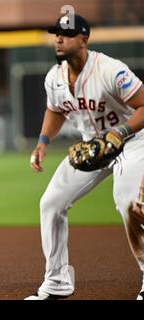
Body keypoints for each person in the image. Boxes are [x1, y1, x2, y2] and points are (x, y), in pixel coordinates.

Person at [26, 14, 144, 300]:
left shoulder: (110, 70)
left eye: (66, 34)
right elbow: (56, 110)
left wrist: (122, 130)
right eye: (56, 33)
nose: (58, 38)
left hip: (132, 141)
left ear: (84, 39)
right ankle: (56, 284)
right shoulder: (54, 78)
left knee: (128, 202)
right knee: (51, 203)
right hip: (93, 147)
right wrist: (43, 142)